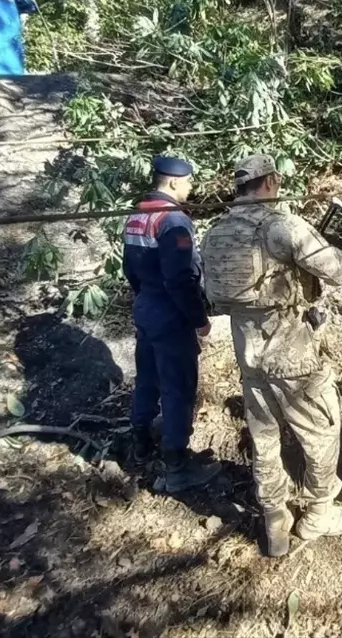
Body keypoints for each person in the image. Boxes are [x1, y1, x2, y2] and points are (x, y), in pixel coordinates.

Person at [200, 154, 342, 557]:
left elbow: (214, 293)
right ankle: (319, 514)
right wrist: (334, 251)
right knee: (321, 431)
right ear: (270, 182)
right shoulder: (282, 226)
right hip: (290, 351)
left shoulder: (216, 232)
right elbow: (340, 273)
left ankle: (275, 520)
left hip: (247, 351)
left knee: (264, 436)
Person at [123, 155, 221, 492]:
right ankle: (177, 466)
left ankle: (140, 442)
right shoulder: (174, 220)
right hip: (170, 313)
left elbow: (129, 269)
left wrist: (145, 299)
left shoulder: (138, 214)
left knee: (147, 377)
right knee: (178, 387)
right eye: (189, 182)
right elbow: (180, 278)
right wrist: (199, 319)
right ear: (175, 181)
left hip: (145, 306)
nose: (190, 188)